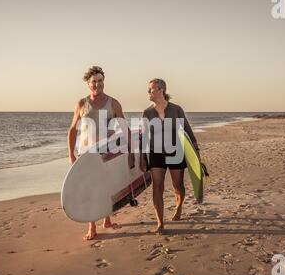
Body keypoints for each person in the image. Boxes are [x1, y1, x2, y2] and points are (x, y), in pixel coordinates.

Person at [67, 66, 134, 240]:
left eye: (100, 81)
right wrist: (71, 154)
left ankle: (107, 221)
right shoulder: (82, 104)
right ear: (88, 84)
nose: (98, 84)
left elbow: (124, 127)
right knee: (91, 188)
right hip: (86, 153)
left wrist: (131, 150)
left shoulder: (113, 103)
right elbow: (73, 130)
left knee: (106, 185)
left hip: (107, 152)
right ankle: (92, 226)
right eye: (94, 82)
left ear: (104, 81)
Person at [139, 78, 199, 235]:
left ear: (161, 90)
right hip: (155, 152)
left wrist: (196, 149)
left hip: (175, 151)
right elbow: (144, 137)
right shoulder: (147, 112)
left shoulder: (176, 109)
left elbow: (187, 129)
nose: (148, 92)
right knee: (157, 186)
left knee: (177, 184)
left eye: (151, 89)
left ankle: (179, 207)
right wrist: (142, 157)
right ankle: (160, 222)